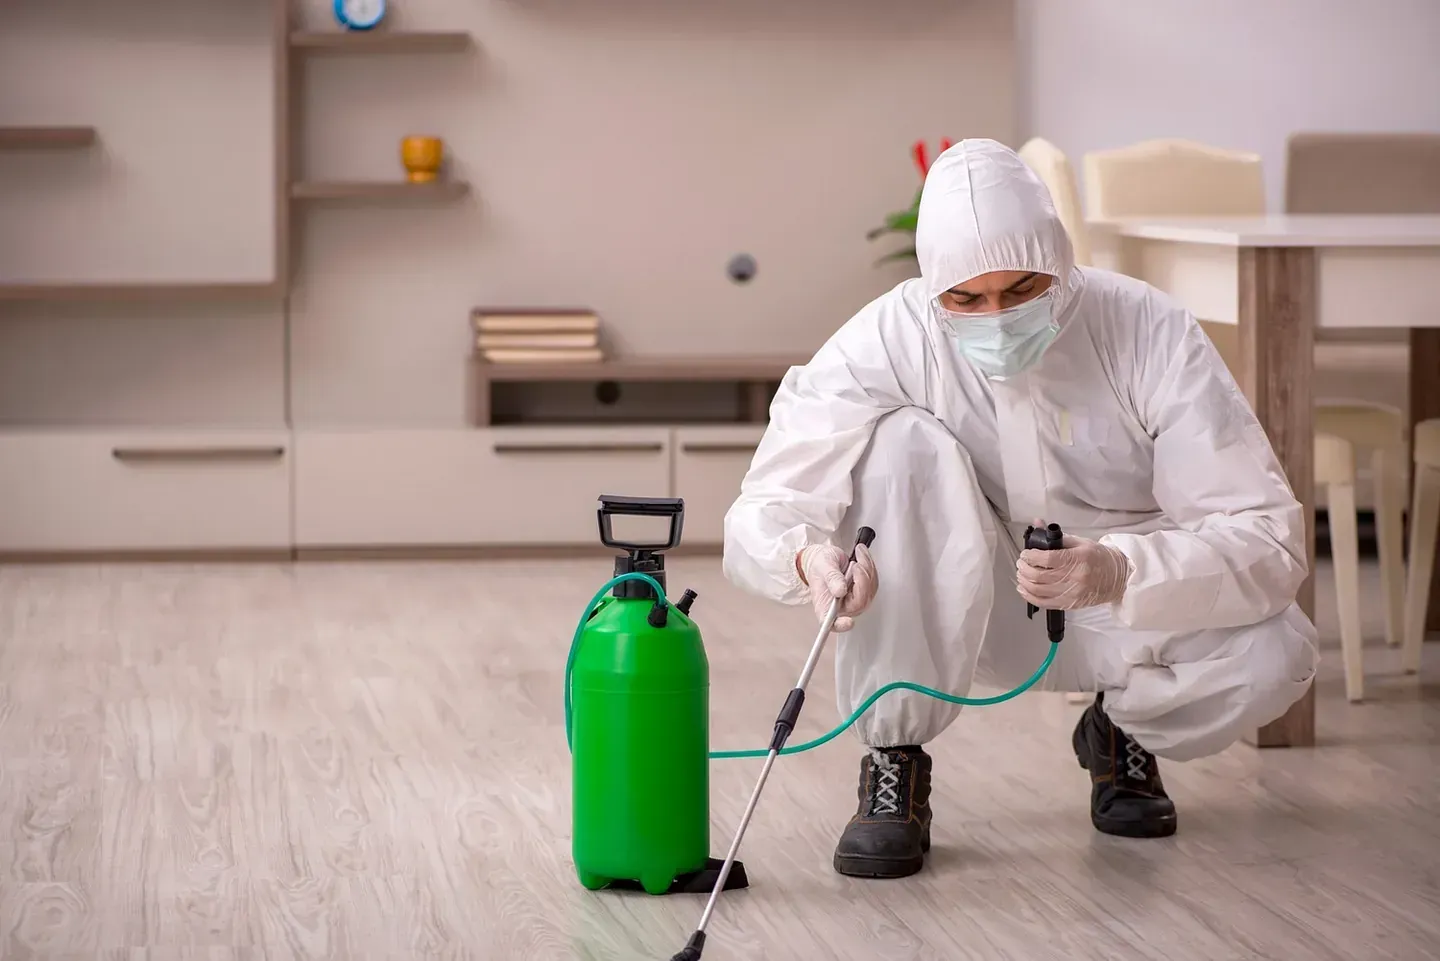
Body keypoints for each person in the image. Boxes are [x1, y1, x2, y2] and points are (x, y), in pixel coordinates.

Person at [721, 138, 1319, 880]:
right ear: (933, 287)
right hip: (967, 603)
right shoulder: (890, 334)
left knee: (1279, 653)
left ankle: (1118, 729)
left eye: (1023, 289)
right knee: (901, 440)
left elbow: (1268, 539)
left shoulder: (1149, 330)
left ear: (1062, 266)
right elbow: (765, 505)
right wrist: (805, 558)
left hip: (1125, 601)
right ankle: (894, 755)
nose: (997, 318)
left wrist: (1118, 570)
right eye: (967, 299)